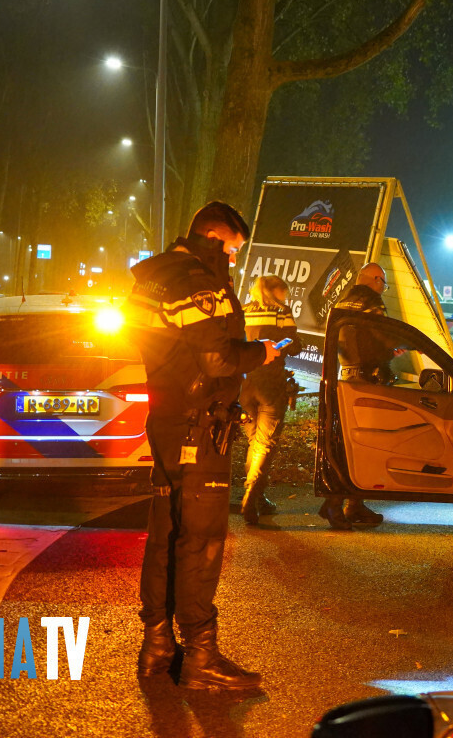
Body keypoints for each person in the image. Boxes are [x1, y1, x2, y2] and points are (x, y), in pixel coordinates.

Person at [124, 201, 280, 690]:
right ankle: (201, 655)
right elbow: (216, 359)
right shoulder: (199, 282)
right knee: (203, 539)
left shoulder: (154, 278)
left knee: (165, 534)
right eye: (232, 251)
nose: (232, 261)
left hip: (166, 420)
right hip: (200, 425)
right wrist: (261, 352)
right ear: (214, 238)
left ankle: (156, 645)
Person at [319, 262, 397, 529]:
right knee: (366, 445)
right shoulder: (372, 301)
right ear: (375, 280)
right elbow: (384, 335)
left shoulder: (345, 300)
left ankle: (353, 505)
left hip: (346, 376)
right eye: (383, 283)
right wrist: (400, 346)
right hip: (368, 379)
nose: (383, 289)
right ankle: (336, 504)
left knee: (351, 443)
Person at [238, 275, 302, 525]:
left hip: (244, 384)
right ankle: (250, 499)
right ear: (275, 291)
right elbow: (292, 344)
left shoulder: (243, 311)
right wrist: (288, 345)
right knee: (265, 443)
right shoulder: (280, 312)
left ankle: (259, 497)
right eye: (283, 292)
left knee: (254, 441)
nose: (285, 297)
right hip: (270, 382)